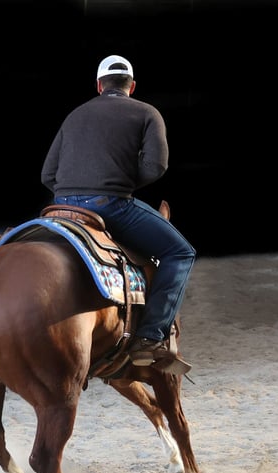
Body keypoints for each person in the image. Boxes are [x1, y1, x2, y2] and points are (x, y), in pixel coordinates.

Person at [40, 54, 196, 375]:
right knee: (180, 253)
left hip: (61, 208)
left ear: (98, 85)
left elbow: (47, 174)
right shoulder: (147, 113)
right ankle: (150, 337)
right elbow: (157, 166)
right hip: (109, 205)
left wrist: (71, 192)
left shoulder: (74, 116)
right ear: (132, 86)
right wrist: (118, 182)